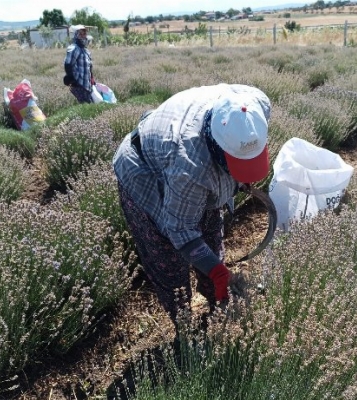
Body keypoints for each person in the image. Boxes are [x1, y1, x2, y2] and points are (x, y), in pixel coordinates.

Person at [112, 84, 272, 325]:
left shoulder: (254, 105)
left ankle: (218, 304)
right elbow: (180, 229)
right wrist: (218, 272)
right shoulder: (190, 165)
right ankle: (184, 323)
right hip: (143, 170)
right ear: (219, 149)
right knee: (168, 260)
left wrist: (242, 176)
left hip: (179, 155)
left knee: (211, 240)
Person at [64, 25, 95, 103]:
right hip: (78, 83)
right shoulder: (74, 48)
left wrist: (91, 78)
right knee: (87, 105)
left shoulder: (85, 50)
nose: (83, 36)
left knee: (89, 104)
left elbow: (89, 66)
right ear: (76, 35)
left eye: (84, 34)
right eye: (80, 34)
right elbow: (68, 64)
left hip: (86, 84)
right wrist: (72, 79)